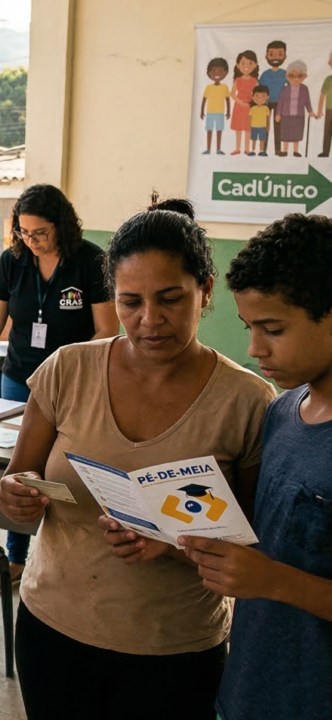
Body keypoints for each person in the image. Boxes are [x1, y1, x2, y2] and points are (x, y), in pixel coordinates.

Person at [0, 199, 276, 720]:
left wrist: (171, 544)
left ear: (206, 291)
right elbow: (20, 480)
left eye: (171, 298)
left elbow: (255, 542)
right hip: (53, 631)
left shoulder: (247, 401)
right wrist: (15, 495)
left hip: (174, 651)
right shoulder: (68, 369)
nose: (150, 320)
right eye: (130, 302)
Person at [0, 183, 118, 594]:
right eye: (24, 232)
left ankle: (67, 557)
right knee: (20, 469)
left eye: (40, 232)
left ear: (61, 226)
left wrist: (89, 382)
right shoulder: (14, 262)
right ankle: (15, 558)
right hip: (20, 377)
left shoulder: (91, 262)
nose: (32, 240)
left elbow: (106, 331)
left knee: (64, 469)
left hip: (74, 386)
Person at [199, 213, 332, 719]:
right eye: (249, 327)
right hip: (250, 689)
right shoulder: (281, 410)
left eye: (273, 329)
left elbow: (270, 573)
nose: (254, 349)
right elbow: (266, 542)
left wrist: (274, 581)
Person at [277, 60, 313, 157]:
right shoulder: (285, 89)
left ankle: (296, 151)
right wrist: (278, 113)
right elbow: (281, 102)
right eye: (292, 76)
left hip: (299, 115)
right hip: (286, 115)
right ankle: (285, 150)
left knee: (297, 133)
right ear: (288, 76)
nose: (296, 78)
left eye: (299, 76)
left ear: (303, 76)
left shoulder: (304, 89)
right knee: (286, 133)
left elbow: (307, 101)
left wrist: (310, 111)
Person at [260, 40, 289, 156]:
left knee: (278, 127)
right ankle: (263, 150)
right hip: (265, 103)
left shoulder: (284, 73)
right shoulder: (265, 74)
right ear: (266, 56)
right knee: (265, 126)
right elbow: (260, 88)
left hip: (279, 104)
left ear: (285, 56)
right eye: (272, 54)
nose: (275, 57)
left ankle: (277, 150)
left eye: (280, 54)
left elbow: (292, 86)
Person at [230, 50, 260, 155]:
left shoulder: (254, 80)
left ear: (255, 65)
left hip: (250, 107)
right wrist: (241, 103)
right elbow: (232, 94)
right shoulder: (238, 80)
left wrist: (252, 103)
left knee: (248, 129)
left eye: (250, 63)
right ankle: (238, 148)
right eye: (243, 63)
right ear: (238, 65)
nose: (246, 66)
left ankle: (247, 149)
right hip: (239, 107)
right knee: (238, 129)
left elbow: (257, 94)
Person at [202, 57, 232, 155]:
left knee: (219, 130)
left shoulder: (225, 87)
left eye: (220, 71)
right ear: (209, 73)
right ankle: (208, 149)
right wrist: (202, 111)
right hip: (210, 112)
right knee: (209, 130)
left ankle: (218, 149)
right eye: (214, 71)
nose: (217, 73)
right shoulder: (208, 87)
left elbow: (227, 99)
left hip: (220, 112)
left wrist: (228, 111)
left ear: (225, 73)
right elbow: (204, 99)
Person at [248, 84, 272, 157]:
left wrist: (268, 126)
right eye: (257, 96)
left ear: (268, 97)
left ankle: (262, 151)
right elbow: (250, 118)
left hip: (263, 126)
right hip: (254, 126)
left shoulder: (266, 109)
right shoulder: (252, 109)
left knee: (262, 139)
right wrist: (249, 126)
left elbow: (268, 118)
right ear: (252, 97)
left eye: (263, 96)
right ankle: (253, 150)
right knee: (254, 139)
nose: (260, 98)